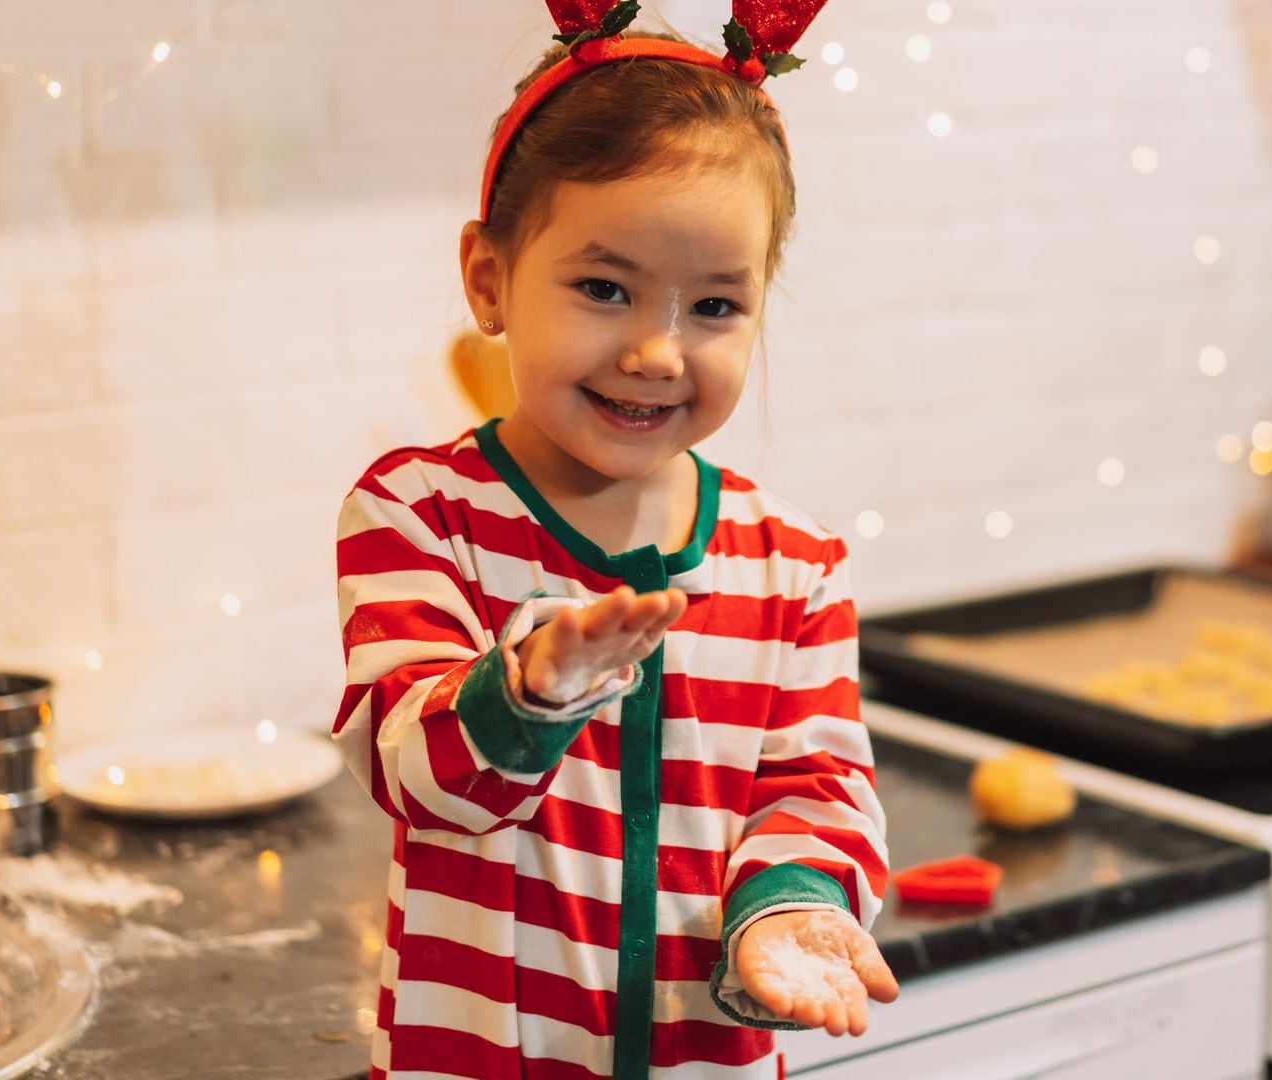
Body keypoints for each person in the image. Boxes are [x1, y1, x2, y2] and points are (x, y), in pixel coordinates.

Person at [331, 4, 895, 1076]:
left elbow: (816, 788)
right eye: (604, 288)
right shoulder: (418, 514)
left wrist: (788, 907)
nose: (655, 350)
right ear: (489, 280)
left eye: (715, 307)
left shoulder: (795, 563)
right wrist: (529, 689)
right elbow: (418, 772)